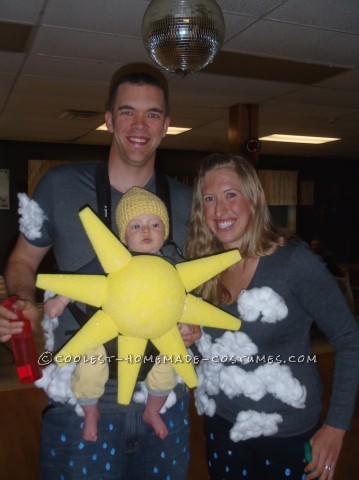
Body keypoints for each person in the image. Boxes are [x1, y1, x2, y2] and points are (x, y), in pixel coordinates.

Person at [0, 63, 199, 480]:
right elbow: (22, 262)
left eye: (153, 114)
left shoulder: (188, 200)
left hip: (163, 390)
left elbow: (205, 283)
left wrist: (197, 322)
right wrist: (22, 300)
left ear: (167, 125)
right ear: (108, 120)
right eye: (127, 111)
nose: (139, 124)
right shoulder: (58, 186)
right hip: (83, 388)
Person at [185, 153, 359, 480]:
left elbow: (351, 341)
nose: (220, 209)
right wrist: (190, 340)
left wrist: (336, 425)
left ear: (256, 199)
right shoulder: (201, 268)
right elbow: (210, 354)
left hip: (287, 433)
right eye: (209, 199)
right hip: (222, 425)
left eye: (230, 195)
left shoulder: (294, 263)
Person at [44, 187, 191, 441]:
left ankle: (152, 411)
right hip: (110, 334)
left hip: (158, 335)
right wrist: (61, 299)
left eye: (155, 224)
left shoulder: (173, 262)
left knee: (167, 370)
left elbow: (187, 298)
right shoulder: (112, 259)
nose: (146, 230)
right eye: (136, 226)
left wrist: (187, 322)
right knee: (90, 367)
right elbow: (81, 281)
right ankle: (90, 411)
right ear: (123, 237)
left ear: (165, 232)